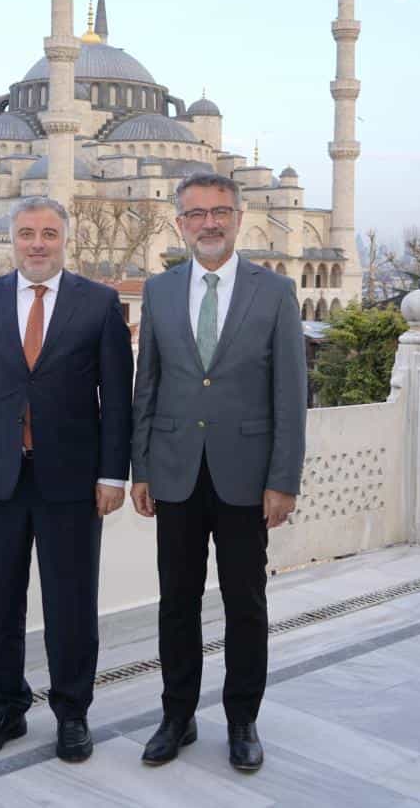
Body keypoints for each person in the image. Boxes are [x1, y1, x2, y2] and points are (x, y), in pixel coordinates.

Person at [0, 195, 134, 762]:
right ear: (13, 239)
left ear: (64, 239)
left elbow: (117, 401)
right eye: (27, 233)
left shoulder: (98, 305)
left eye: (49, 233)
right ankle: (5, 707)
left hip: (72, 482)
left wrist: (112, 475)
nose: (37, 243)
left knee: (71, 603)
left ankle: (72, 712)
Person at [129, 171, 306, 772]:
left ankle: (242, 721)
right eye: (197, 213)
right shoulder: (159, 290)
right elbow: (146, 384)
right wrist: (141, 468)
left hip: (246, 476)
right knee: (176, 601)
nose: (209, 222)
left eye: (220, 212)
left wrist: (283, 479)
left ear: (238, 218)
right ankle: (176, 717)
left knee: (244, 602)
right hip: (175, 472)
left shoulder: (274, 291)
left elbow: (290, 393)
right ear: (180, 222)